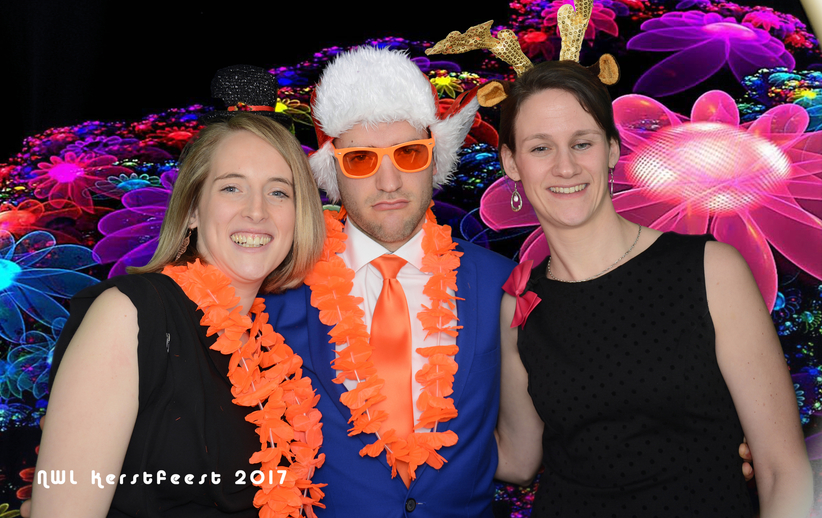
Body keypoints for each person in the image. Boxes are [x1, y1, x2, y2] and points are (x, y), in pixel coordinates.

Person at [493, 60, 813, 517]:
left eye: (582, 143)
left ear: (611, 149)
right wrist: (402, 422)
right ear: (511, 162)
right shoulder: (518, 302)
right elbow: (518, 459)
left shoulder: (711, 270)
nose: (565, 167)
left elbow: (783, 471)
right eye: (541, 148)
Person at [31, 112, 326, 518]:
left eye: (278, 192)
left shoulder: (271, 351)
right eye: (232, 187)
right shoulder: (130, 314)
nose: (257, 211)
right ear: (191, 210)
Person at [262, 46, 516, 517]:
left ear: (434, 159)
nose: (389, 182)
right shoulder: (277, 293)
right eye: (360, 159)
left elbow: (520, 455)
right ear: (333, 169)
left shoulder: (500, 283)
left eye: (409, 153)